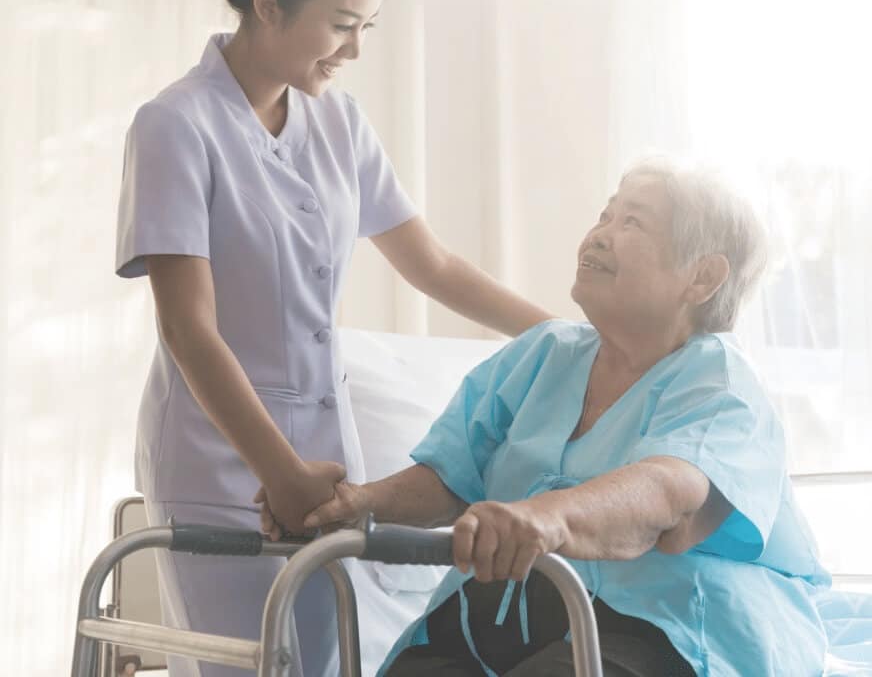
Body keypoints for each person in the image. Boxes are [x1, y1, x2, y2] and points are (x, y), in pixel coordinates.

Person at [115, 0, 553, 677]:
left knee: (329, 661)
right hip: (221, 457)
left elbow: (433, 264)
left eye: (368, 26)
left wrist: (564, 337)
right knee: (247, 666)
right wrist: (276, 472)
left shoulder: (338, 121)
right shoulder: (175, 126)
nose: (354, 49)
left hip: (326, 459)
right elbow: (188, 329)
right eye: (342, 24)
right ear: (270, 5)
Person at [268, 160, 831, 677]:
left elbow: (669, 492)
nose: (600, 233)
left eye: (633, 222)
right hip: (509, 614)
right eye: (605, 214)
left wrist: (547, 519)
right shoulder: (544, 354)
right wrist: (355, 505)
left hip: (674, 625)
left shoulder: (719, 379)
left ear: (702, 277)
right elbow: (450, 478)